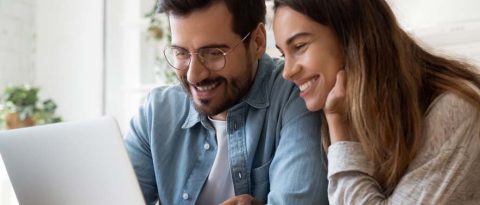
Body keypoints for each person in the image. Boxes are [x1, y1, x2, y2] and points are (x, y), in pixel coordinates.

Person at [273, 0, 480, 204]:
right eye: (283, 54)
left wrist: (339, 130)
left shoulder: (455, 109)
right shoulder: (345, 109)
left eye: (299, 46)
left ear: (351, 35)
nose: (287, 72)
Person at [124, 0, 329, 204]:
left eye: (213, 53)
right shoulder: (155, 113)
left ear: (257, 41)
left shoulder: (297, 94)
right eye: (181, 53)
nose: (194, 75)